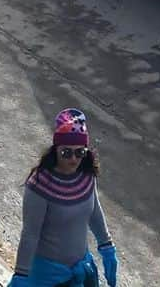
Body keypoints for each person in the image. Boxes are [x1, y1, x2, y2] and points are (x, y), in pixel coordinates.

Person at [8, 108, 118, 287]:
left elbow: (94, 210)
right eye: (67, 153)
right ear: (56, 150)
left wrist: (106, 246)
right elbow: (30, 234)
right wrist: (21, 274)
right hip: (48, 277)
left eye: (80, 152)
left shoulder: (86, 175)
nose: (74, 159)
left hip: (81, 270)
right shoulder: (40, 185)